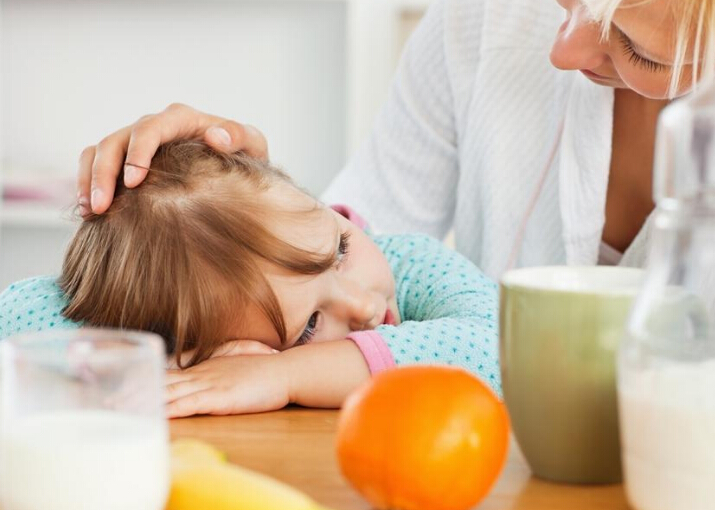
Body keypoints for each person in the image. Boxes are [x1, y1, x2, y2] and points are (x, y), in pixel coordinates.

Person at [74, 0, 715, 278]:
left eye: (640, 51)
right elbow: (357, 253)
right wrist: (249, 195)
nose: (562, 51)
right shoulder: (481, 19)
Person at [0, 141, 499, 418]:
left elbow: (501, 347)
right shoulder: (204, 348)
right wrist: (183, 360)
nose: (365, 307)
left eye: (340, 250)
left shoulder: (413, 263)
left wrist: (283, 374)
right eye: (308, 327)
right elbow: (18, 313)